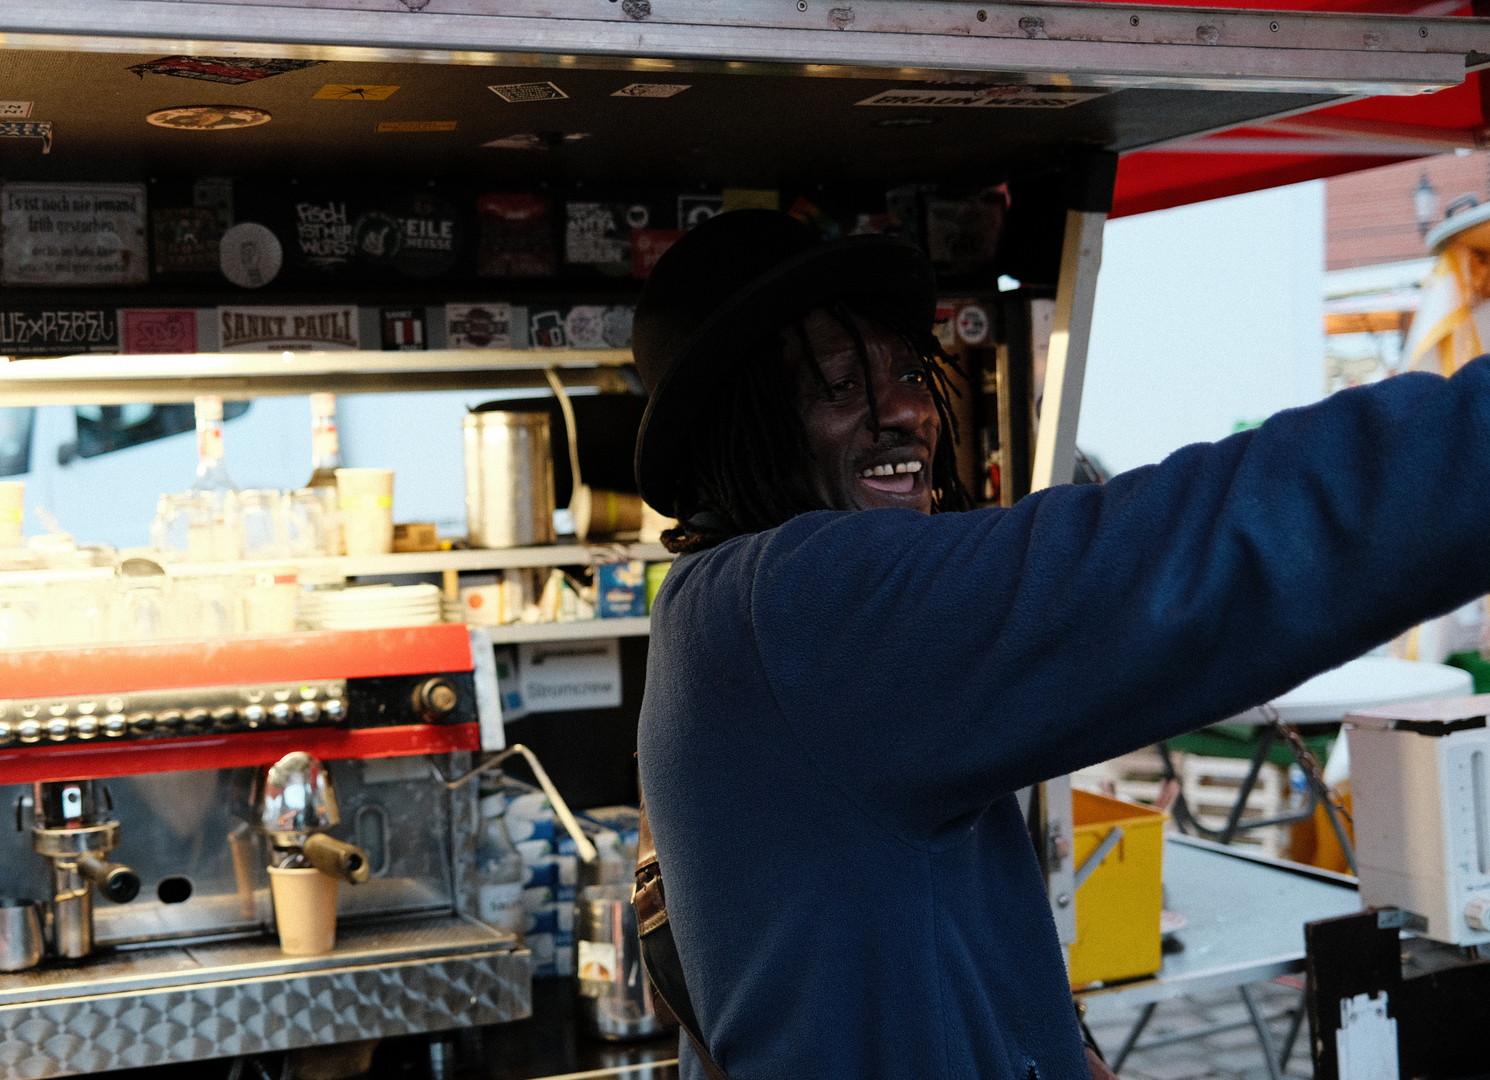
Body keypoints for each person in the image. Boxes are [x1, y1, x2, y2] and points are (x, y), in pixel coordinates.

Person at [630, 210, 1490, 1080]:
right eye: (837, 386)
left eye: (905, 373)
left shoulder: (718, 619)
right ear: (735, 428)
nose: (903, 411)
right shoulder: (799, 604)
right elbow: (1197, 552)